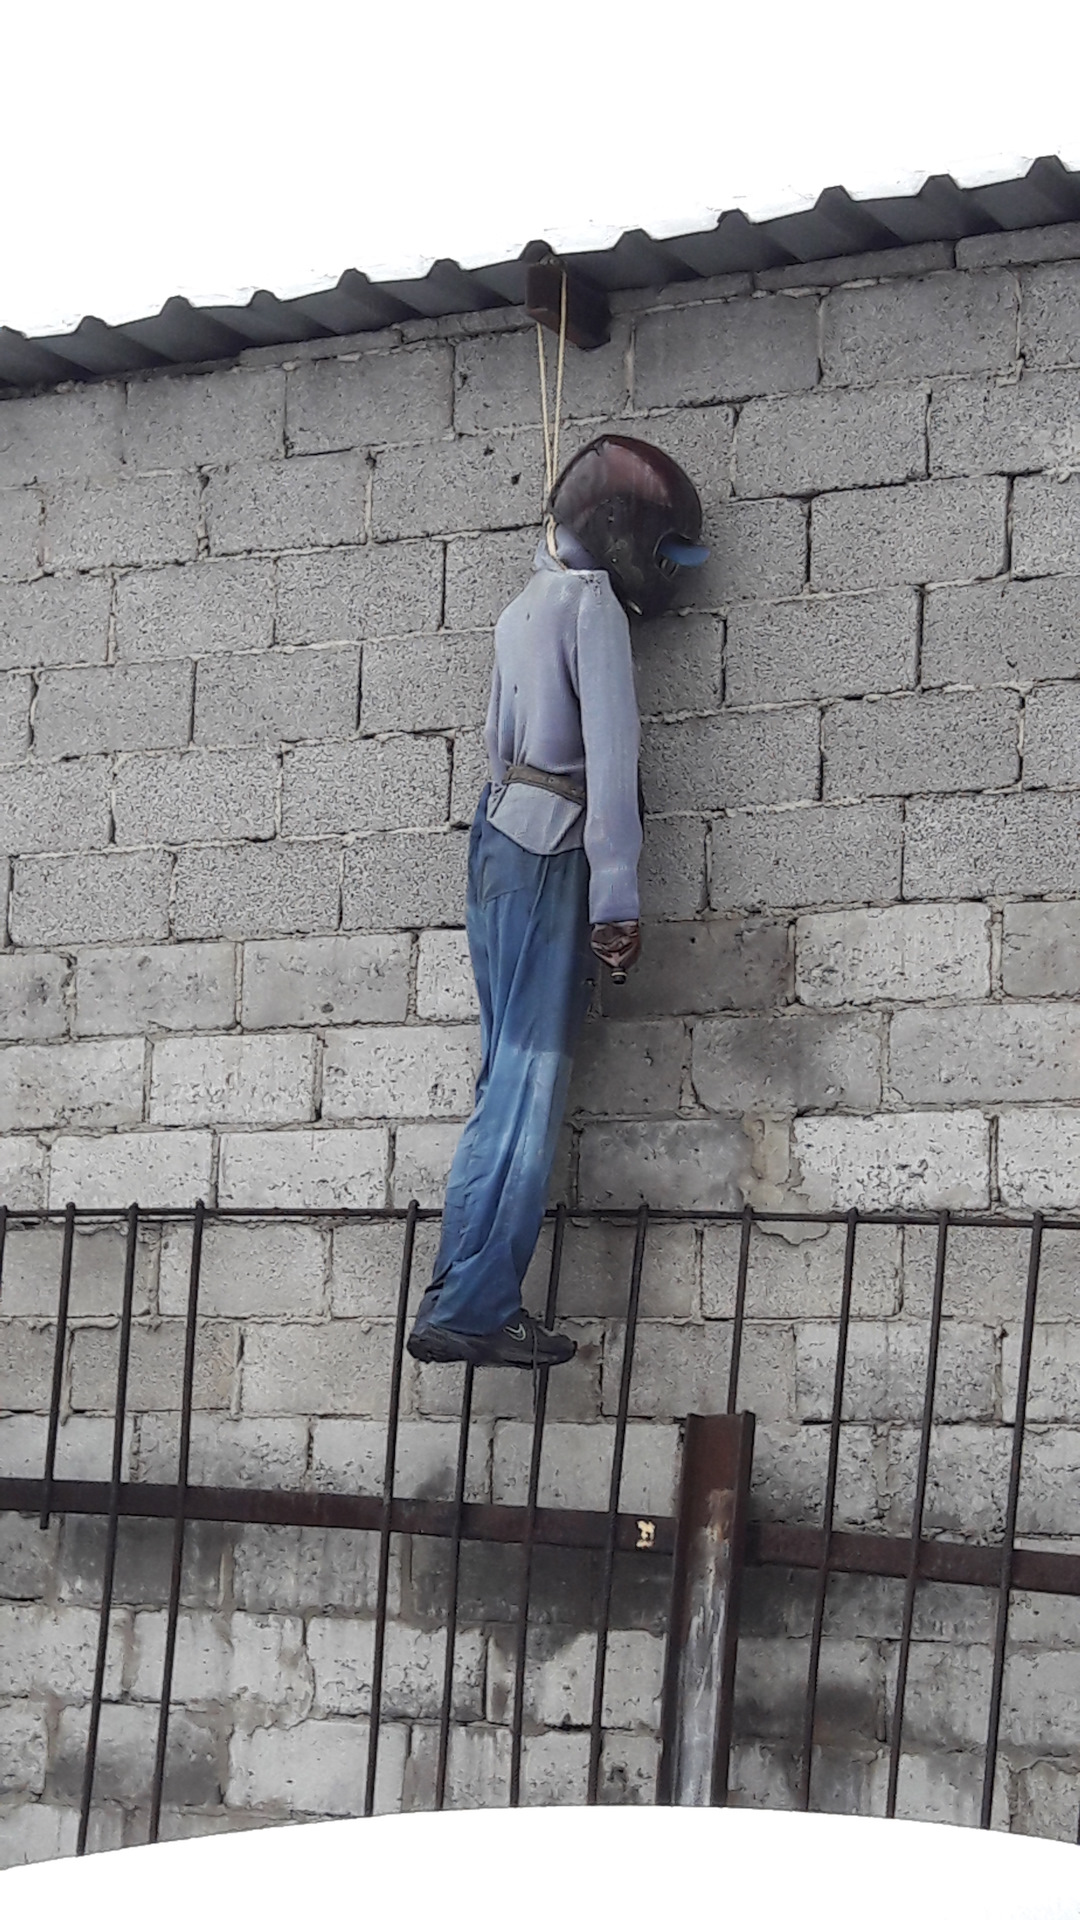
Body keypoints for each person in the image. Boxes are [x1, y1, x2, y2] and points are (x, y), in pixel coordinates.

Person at [407, 435, 708, 1370]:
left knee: (500, 1079)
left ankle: (455, 1290)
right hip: (555, 851)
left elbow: (495, 749)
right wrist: (616, 897)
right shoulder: (592, 606)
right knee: (531, 1088)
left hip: (498, 841)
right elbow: (611, 761)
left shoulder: (519, 608)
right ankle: (475, 1306)